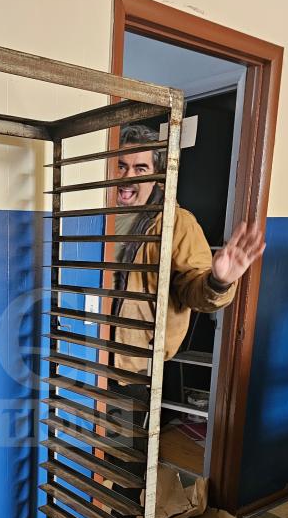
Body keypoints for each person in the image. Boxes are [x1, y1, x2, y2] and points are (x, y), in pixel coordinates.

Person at [107, 123, 265, 496]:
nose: (128, 176)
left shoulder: (177, 224)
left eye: (140, 168)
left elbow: (195, 289)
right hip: (79, 357)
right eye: (122, 166)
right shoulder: (94, 213)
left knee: (124, 464)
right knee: (79, 451)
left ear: (159, 172)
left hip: (131, 369)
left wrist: (219, 280)